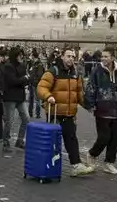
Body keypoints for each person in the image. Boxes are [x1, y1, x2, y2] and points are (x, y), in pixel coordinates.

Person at [39, 48, 92, 177]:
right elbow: (41, 87)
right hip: (55, 112)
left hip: (69, 113)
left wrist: (89, 106)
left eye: (73, 56)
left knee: (71, 138)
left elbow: (79, 94)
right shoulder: (53, 71)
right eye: (68, 56)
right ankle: (48, 166)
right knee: (52, 141)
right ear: (62, 56)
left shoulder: (75, 74)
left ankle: (76, 165)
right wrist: (48, 96)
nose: (71, 59)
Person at [85, 47, 117, 175]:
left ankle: (109, 163)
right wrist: (90, 104)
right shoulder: (97, 71)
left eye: (106, 56)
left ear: (112, 57)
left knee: (115, 138)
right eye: (102, 56)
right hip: (102, 108)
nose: (103, 59)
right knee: (104, 137)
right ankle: (92, 154)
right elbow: (91, 87)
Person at [0, 48, 30, 154]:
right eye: (19, 55)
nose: (21, 57)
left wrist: (24, 79)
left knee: (26, 118)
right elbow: (12, 81)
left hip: (20, 96)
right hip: (10, 97)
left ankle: (20, 140)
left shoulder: (22, 66)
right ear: (15, 56)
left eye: (22, 55)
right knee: (9, 121)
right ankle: (6, 143)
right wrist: (24, 78)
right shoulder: (8, 66)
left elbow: (25, 80)